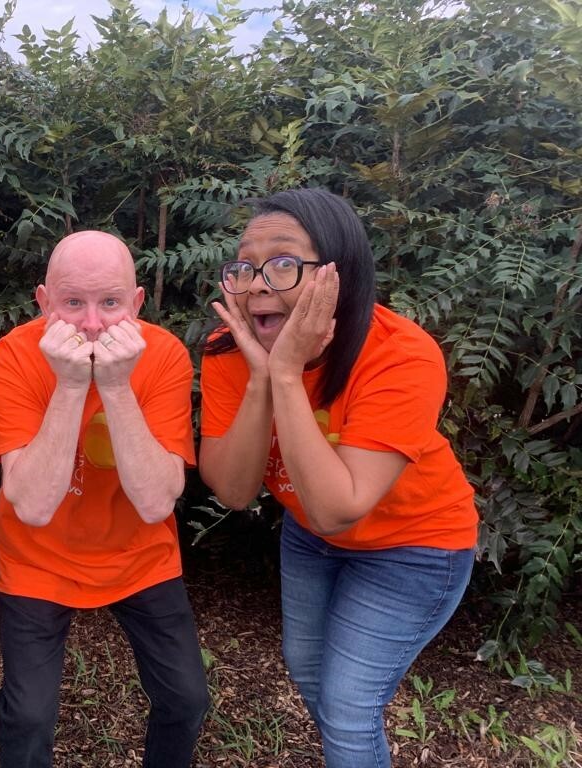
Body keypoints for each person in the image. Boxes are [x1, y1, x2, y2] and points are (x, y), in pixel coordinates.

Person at [199, 188, 478, 767]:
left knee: (349, 707)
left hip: (416, 545)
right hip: (311, 535)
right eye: (245, 265)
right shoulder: (230, 350)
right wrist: (261, 378)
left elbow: (338, 505)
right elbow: (232, 490)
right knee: (308, 673)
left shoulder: (402, 354)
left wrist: (285, 375)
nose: (256, 285)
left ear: (338, 275)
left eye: (281, 262)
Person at [0, 230, 210, 768]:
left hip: (141, 554)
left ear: (136, 303)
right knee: (29, 714)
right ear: (43, 302)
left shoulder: (166, 355)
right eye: (71, 304)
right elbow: (33, 506)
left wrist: (114, 386)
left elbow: (157, 503)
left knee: (186, 697)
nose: (90, 324)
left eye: (109, 303)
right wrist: (67, 386)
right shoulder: (16, 355)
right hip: (38, 557)